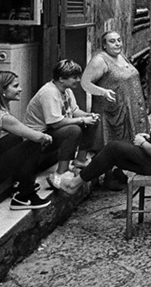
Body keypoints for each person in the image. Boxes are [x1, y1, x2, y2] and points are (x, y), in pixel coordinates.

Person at [58, 78, 151, 194]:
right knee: (114, 151)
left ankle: (74, 184)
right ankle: (85, 179)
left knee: (112, 149)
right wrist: (149, 137)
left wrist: (142, 142)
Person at [0, 71, 53, 210]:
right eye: (15, 86)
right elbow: (37, 137)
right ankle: (23, 196)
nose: (20, 89)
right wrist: (47, 137)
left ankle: (19, 184)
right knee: (33, 144)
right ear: (2, 90)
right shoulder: (2, 117)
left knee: (15, 138)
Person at [25, 60, 99, 191]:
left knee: (91, 122)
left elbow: (74, 111)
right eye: (74, 77)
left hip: (51, 132)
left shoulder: (67, 90)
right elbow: (55, 123)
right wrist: (82, 120)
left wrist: (88, 116)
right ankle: (60, 174)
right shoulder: (49, 92)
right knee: (73, 130)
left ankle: (80, 161)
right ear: (61, 79)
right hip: (37, 138)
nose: (78, 80)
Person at [81, 31, 148, 147]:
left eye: (119, 40)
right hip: (113, 113)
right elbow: (85, 83)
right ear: (104, 45)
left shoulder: (121, 56)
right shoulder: (99, 61)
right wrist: (103, 92)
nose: (117, 44)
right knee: (115, 146)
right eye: (112, 41)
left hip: (132, 109)